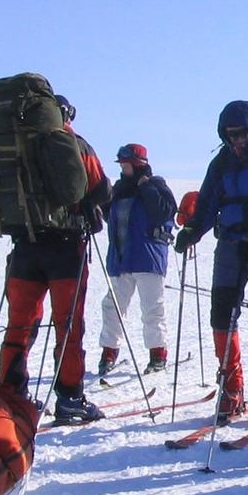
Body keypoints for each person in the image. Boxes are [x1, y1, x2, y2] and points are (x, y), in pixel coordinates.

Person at [0, 93, 112, 422]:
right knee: (68, 325)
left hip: (24, 246)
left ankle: (11, 393)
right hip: (65, 248)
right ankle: (70, 397)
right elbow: (100, 188)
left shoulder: (15, 147)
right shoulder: (74, 144)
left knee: (20, 323)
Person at [173, 101, 248, 424]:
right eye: (231, 135)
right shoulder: (221, 162)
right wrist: (193, 229)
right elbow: (208, 202)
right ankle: (232, 388)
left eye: (243, 134)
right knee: (221, 313)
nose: (238, 141)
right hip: (230, 245)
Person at [97, 143, 178, 376]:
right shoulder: (119, 190)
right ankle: (109, 352)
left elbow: (164, 212)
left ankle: (158, 354)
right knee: (111, 306)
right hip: (121, 258)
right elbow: (107, 215)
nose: (122, 168)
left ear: (137, 164)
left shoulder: (156, 185)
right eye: (121, 164)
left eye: (126, 164)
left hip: (148, 258)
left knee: (152, 308)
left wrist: (146, 187)